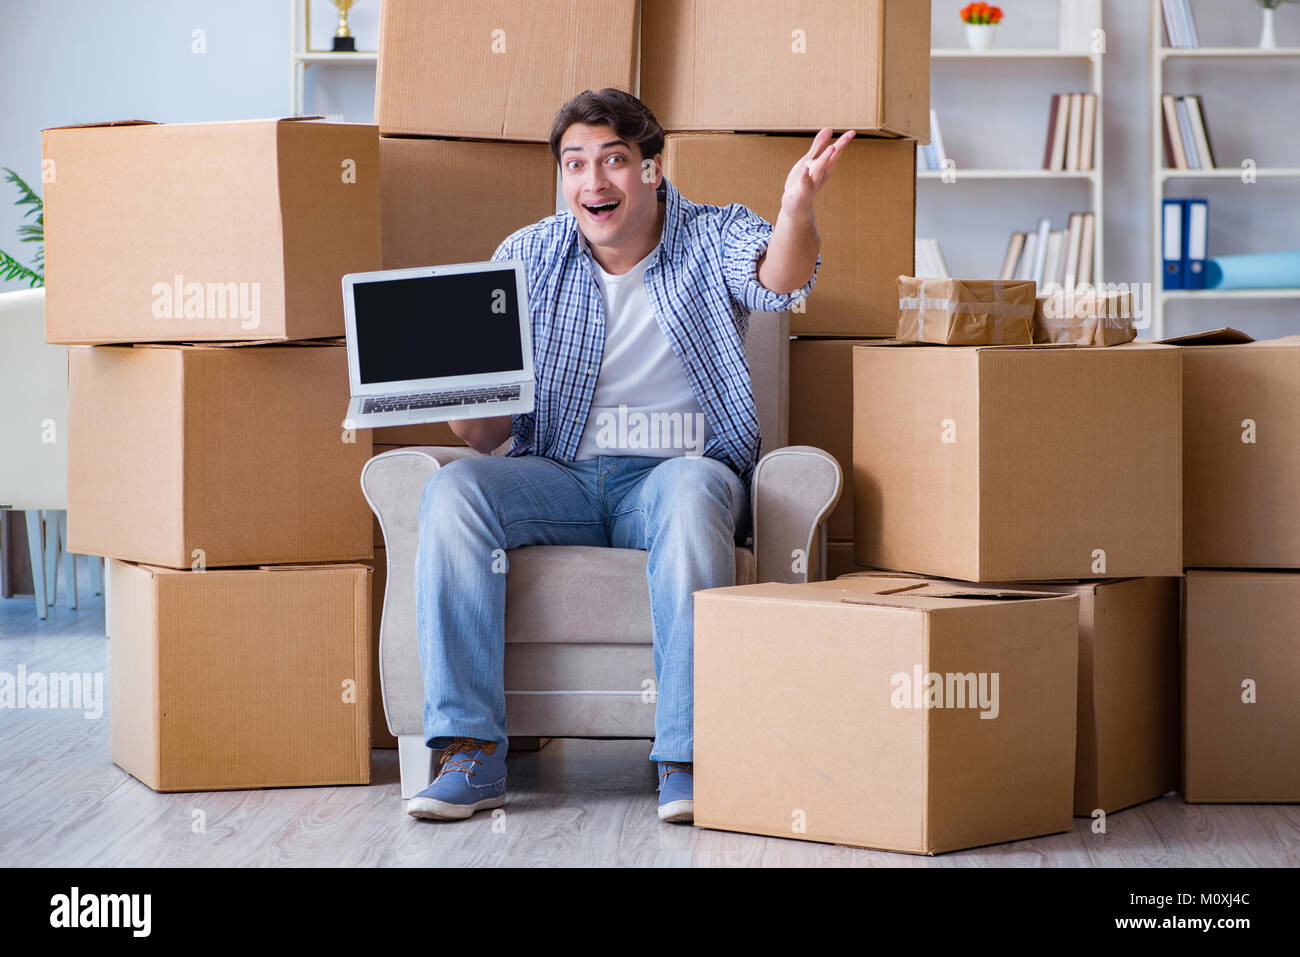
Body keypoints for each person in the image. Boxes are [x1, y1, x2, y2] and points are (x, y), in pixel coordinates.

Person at [408, 88, 851, 824]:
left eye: (614, 160)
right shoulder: (526, 255)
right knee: (453, 493)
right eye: (575, 164)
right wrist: (455, 390)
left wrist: (797, 205)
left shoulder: (714, 235)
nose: (593, 182)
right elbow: (483, 437)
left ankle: (688, 758)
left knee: (688, 494)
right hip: (559, 476)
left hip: (676, 475)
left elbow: (780, 281)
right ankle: (472, 755)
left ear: (651, 168)